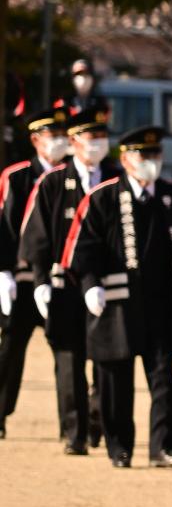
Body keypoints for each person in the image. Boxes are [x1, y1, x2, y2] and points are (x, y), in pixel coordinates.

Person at [64, 125, 172, 467]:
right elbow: (81, 248)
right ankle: (119, 446)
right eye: (144, 155)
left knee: (163, 377)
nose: (151, 162)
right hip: (116, 301)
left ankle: (164, 446)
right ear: (125, 159)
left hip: (160, 301)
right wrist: (90, 285)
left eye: (156, 155)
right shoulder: (103, 196)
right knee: (115, 379)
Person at [19, 104, 120, 455]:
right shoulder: (53, 182)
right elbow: (37, 236)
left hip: (106, 285)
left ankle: (99, 421)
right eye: (91, 137)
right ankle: (74, 432)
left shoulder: (115, 179)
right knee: (69, 360)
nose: (98, 144)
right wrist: (40, 279)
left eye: (103, 136)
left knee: (106, 360)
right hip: (64, 284)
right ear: (76, 141)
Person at [0, 103, 72, 440]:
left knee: (66, 350)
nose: (58, 141)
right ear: (35, 139)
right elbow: (4, 227)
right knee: (10, 349)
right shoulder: (16, 176)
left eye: (62, 134)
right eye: (51, 135)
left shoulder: (73, 176)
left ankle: (72, 427)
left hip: (59, 279)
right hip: (20, 280)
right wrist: (3, 271)